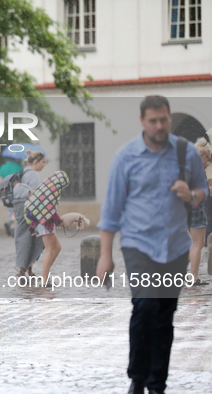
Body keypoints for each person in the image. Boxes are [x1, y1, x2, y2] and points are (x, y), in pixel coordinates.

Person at [96, 96, 208, 394]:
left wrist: (190, 194)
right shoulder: (126, 157)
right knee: (145, 307)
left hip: (175, 246)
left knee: (164, 315)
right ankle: (138, 377)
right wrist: (105, 256)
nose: (159, 125)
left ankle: (158, 383)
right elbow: (111, 210)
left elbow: (203, 191)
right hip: (138, 246)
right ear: (142, 121)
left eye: (164, 120)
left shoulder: (187, 154)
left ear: (169, 118)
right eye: (153, 121)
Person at [24, 170, 70, 286]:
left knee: (57, 248)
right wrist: (59, 221)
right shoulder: (51, 192)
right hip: (44, 224)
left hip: (45, 224)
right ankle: (43, 279)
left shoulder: (45, 189)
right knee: (49, 250)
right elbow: (49, 211)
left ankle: (45, 275)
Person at [13, 151, 46, 277]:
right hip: (30, 209)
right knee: (33, 238)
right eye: (43, 162)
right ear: (36, 162)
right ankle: (24, 269)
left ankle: (26, 268)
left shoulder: (23, 173)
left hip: (21, 207)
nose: (43, 165)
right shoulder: (32, 175)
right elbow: (36, 195)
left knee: (26, 237)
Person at [188, 138, 211, 285]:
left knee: (198, 243)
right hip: (195, 208)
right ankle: (193, 278)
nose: (208, 162)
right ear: (203, 156)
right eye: (208, 159)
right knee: (197, 243)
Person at [0, 158, 23, 236]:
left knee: (10, 209)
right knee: (17, 210)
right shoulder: (19, 166)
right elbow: (22, 179)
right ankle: (13, 225)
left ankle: (12, 228)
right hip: (17, 191)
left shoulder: (3, 167)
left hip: (6, 192)